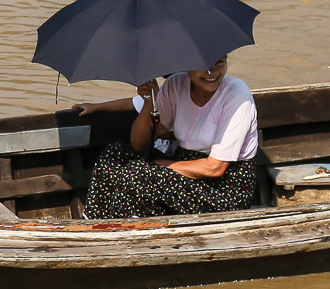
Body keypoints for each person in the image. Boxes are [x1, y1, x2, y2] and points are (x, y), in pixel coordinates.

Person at [75, 55, 259, 219]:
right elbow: (139, 144)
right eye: (202, 65)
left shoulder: (236, 93)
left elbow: (215, 168)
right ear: (187, 65)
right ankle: (93, 223)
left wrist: (159, 166)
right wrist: (149, 102)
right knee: (113, 156)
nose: (211, 72)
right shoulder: (175, 85)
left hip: (224, 188)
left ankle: (123, 235)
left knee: (137, 174)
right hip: (186, 169)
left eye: (219, 63)